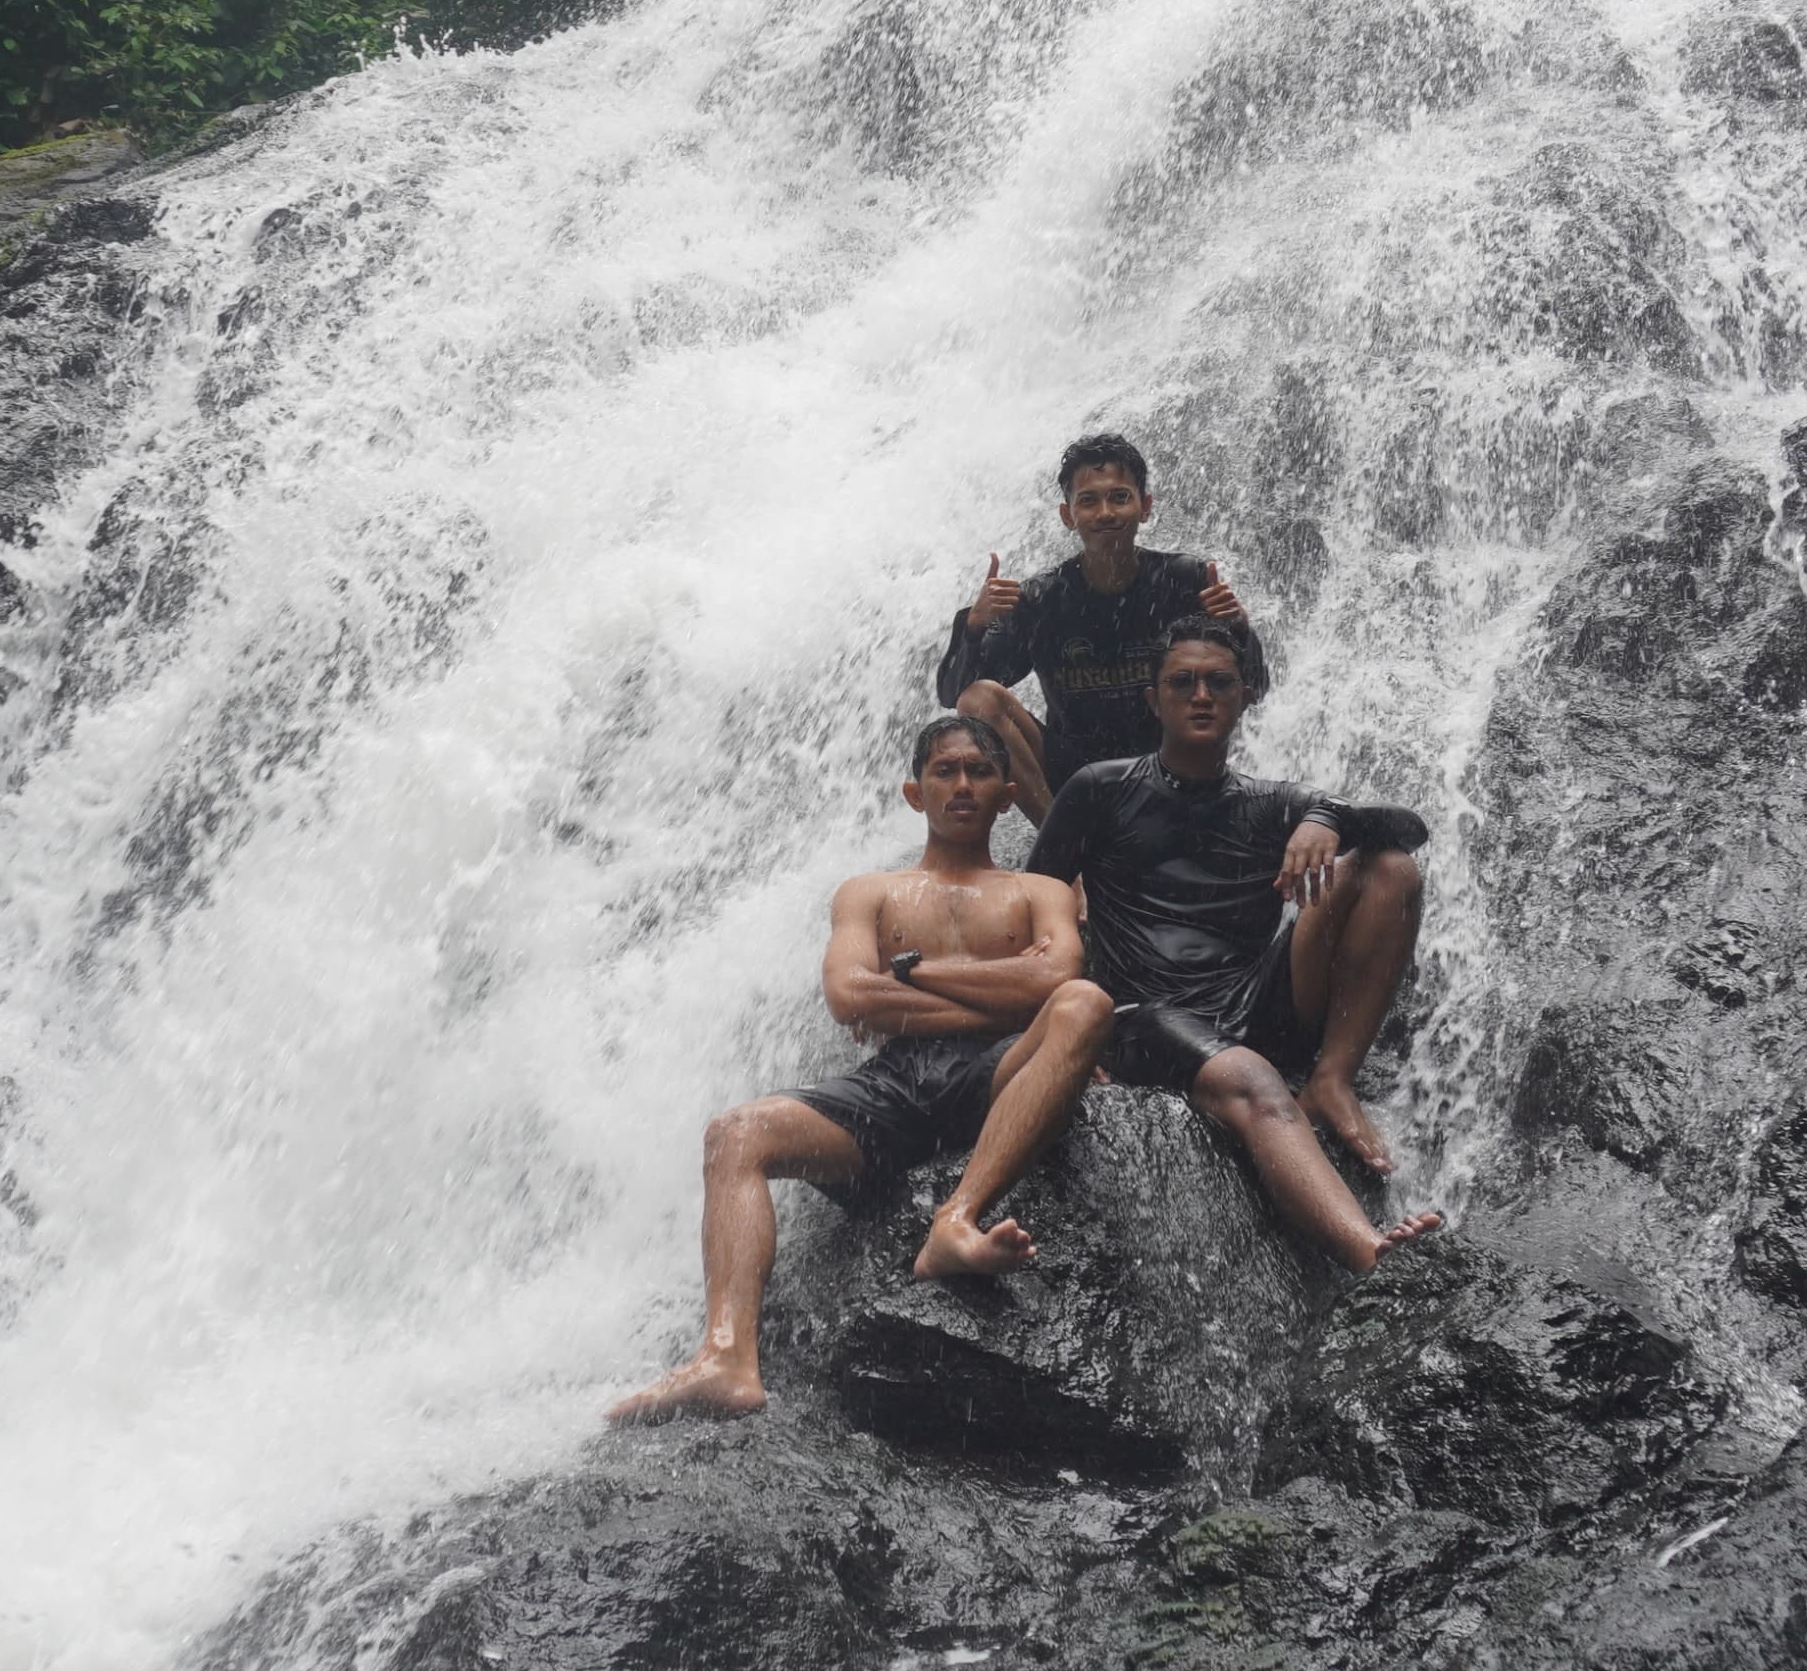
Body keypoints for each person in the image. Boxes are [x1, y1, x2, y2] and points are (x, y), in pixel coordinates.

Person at [608, 713, 1116, 1424]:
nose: (962, 785)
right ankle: (726, 1357)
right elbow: (849, 997)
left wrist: (911, 975)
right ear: (915, 792)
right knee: (735, 1134)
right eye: (944, 771)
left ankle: (957, 1218)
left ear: (1008, 795)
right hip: (893, 1085)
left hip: (999, 1073)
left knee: (1086, 1004)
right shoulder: (868, 891)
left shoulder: (1042, 892)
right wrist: (1003, 990)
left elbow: (1057, 979)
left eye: (979, 772)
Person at [1023, 616, 1445, 1260]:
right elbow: (1032, 907)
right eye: (1182, 682)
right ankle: (1371, 1251)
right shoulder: (1099, 789)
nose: (1201, 696)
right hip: (1145, 1016)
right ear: (1152, 700)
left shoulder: (1269, 802)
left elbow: (1408, 830)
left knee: (1390, 869)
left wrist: (1326, 817)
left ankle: (1332, 1077)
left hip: (1252, 1005)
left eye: (1219, 683)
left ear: (1246, 697)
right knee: (1256, 1083)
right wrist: (1063, 1035)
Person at [939, 432, 1263, 826]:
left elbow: (1253, 688)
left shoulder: (1182, 580)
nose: (1105, 513)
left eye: (1120, 497)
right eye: (1089, 501)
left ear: (1145, 507)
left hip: (1167, 765)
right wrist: (974, 627)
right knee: (980, 699)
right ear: (1068, 515)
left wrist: (1238, 628)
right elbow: (956, 696)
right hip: (1073, 774)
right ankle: (1060, 840)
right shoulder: (1042, 599)